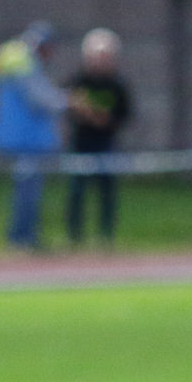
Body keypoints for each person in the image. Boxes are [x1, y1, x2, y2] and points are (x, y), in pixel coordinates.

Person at [0, 21, 65, 252]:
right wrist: (68, 102)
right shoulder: (23, 65)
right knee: (27, 193)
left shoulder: (20, 63)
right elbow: (40, 99)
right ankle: (22, 238)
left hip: (26, 139)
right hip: (26, 139)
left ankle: (25, 236)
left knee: (28, 191)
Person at [64, 28, 134, 248]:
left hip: (106, 143)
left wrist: (104, 119)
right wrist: (83, 112)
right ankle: (74, 237)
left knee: (107, 191)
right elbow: (67, 107)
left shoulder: (117, 85)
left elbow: (124, 114)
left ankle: (105, 236)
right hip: (81, 143)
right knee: (77, 191)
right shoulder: (79, 81)